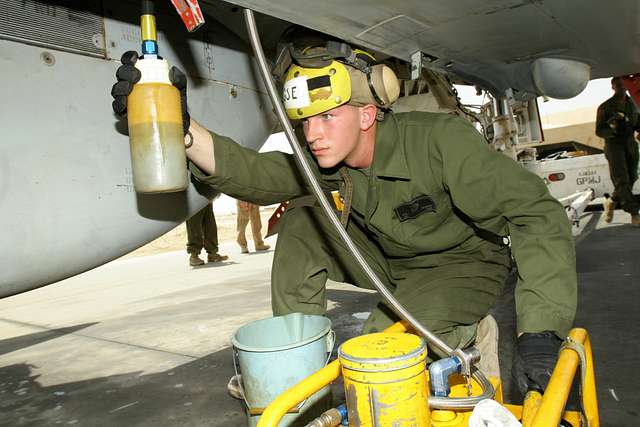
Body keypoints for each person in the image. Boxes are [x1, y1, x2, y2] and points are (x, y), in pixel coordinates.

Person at [111, 36, 576, 394]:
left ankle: (470, 337)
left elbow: (537, 215)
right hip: (385, 261)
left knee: (377, 354)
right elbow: (254, 172)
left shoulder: (440, 142)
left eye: (327, 117)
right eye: (305, 121)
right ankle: (300, 378)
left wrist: (542, 330)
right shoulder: (325, 158)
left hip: (460, 265)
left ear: (368, 114)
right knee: (301, 222)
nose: (312, 134)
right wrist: (182, 126)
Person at [595, 77, 640, 225]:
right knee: (622, 180)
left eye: (623, 84)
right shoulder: (605, 107)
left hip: (630, 144)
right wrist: (613, 127)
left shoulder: (633, 104)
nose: (622, 87)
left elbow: (637, 123)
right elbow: (599, 131)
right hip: (614, 146)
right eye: (618, 85)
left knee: (632, 177)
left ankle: (612, 201)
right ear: (613, 87)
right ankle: (634, 213)